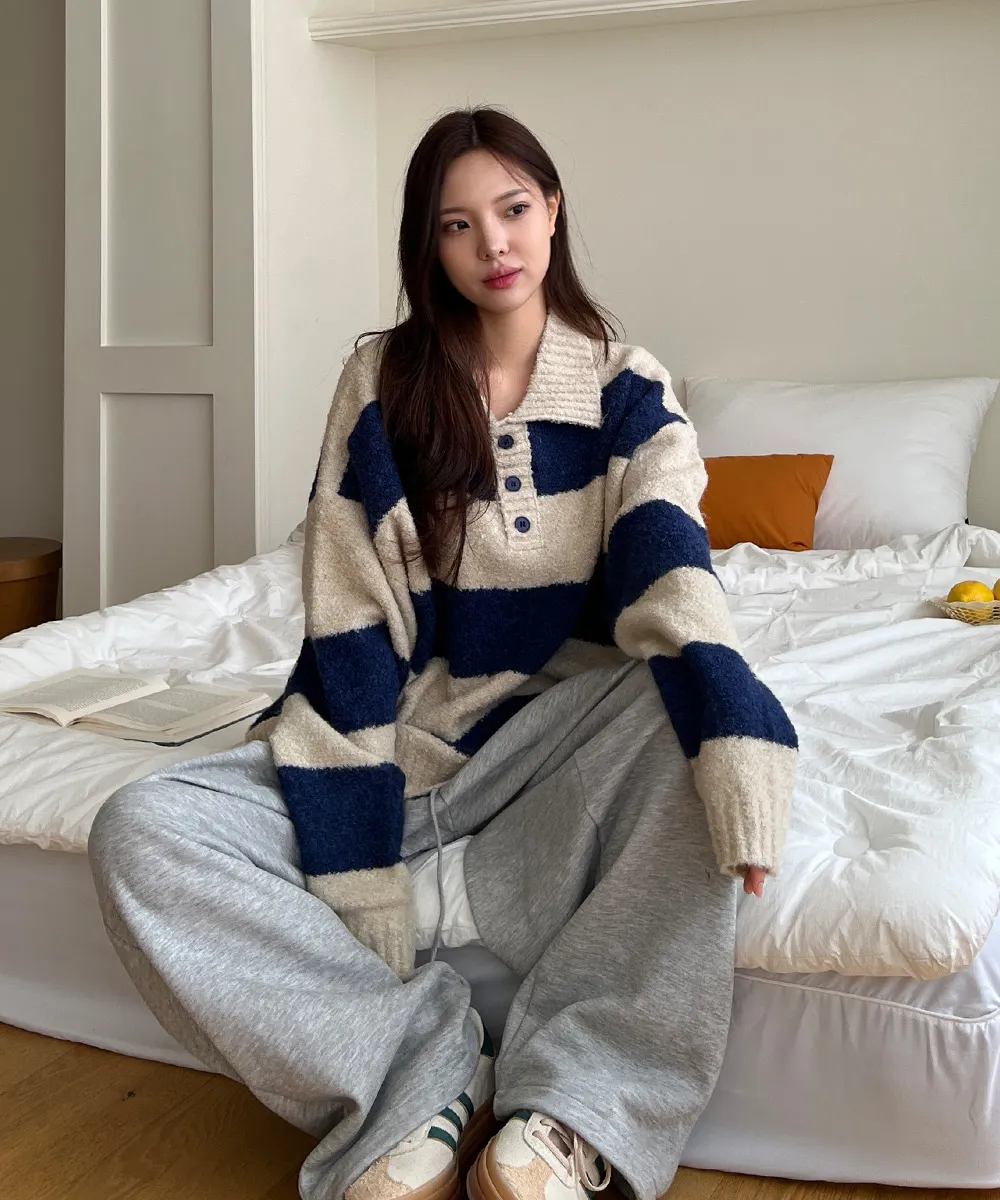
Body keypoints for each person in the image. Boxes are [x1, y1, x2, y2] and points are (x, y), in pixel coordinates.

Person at [88, 107, 797, 1200]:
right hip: (399, 746)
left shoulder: (627, 389)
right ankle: (418, 1071)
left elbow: (671, 574)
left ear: (552, 210)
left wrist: (734, 723)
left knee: (682, 713)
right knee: (141, 828)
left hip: (550, 757)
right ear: (429, 245)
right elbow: (349, 615)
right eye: (458, 225)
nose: (493, 245)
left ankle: (577, 1106)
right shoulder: (382, 380)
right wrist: (356, 851)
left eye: (512, 210)